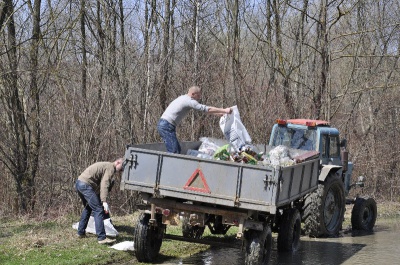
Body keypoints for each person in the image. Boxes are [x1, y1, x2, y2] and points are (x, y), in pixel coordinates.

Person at [157, 86, 233, 153]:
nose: (199, 97)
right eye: (198, 95)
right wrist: (224, 110)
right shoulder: (189, 101)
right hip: (166, 125)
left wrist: (218, 114)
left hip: (165, 124)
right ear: (193, 94)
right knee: (174, 151)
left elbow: (204, 110)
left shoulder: (183, 97)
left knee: (177, 149)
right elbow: (206, 109)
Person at [75, 158, 124, 244]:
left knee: (88, 208)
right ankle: (101, 238)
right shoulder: (110, 168)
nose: (121, 170)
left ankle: (80, 232)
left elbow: (99, 185)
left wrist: (101, 199)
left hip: (79, 183)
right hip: (86, 185)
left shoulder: (106, 166)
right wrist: (104, 201)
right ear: (118, 162)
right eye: (122, 167)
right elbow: (104, 184)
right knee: (98, 209)